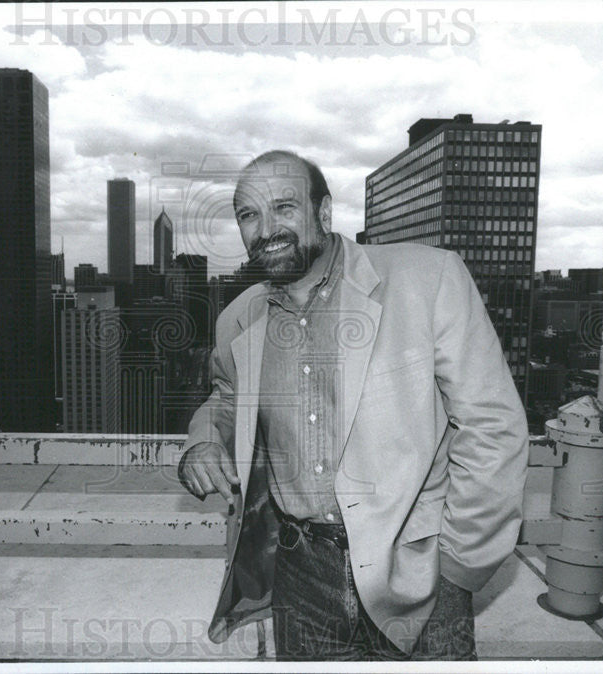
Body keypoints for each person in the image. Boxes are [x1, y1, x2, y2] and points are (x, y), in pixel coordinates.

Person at [178, 150, 528, 660]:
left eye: (283, 208)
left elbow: (492, 426)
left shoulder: (428, 280)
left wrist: (457, 569)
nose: (266, 228)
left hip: (418, 571)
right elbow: (226, 396)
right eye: (249, 215)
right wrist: (204, 442)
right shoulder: (239, 318)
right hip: (300, 579)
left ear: (323, 213)